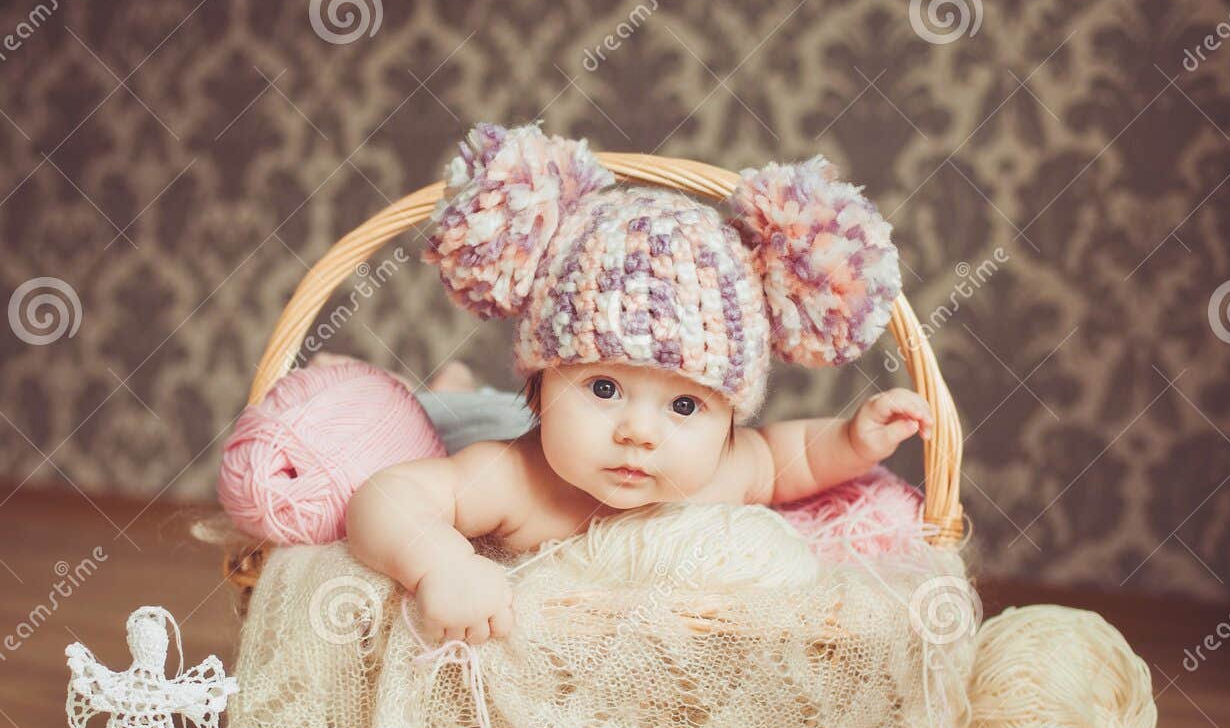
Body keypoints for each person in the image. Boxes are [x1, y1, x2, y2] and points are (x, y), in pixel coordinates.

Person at [345, 122, 931, 645]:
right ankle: (455, 391)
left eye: (683, 403)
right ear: (543, 384)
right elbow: (384, 500)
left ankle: (466, 387)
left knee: (469, 399)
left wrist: (856, 440)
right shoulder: (515, 483)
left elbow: (792, 458)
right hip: (491, 421)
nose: (639, 432)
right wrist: (439, 563)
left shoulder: (723, 472)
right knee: (455, 411)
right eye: (603, 389)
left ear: (730, 415)